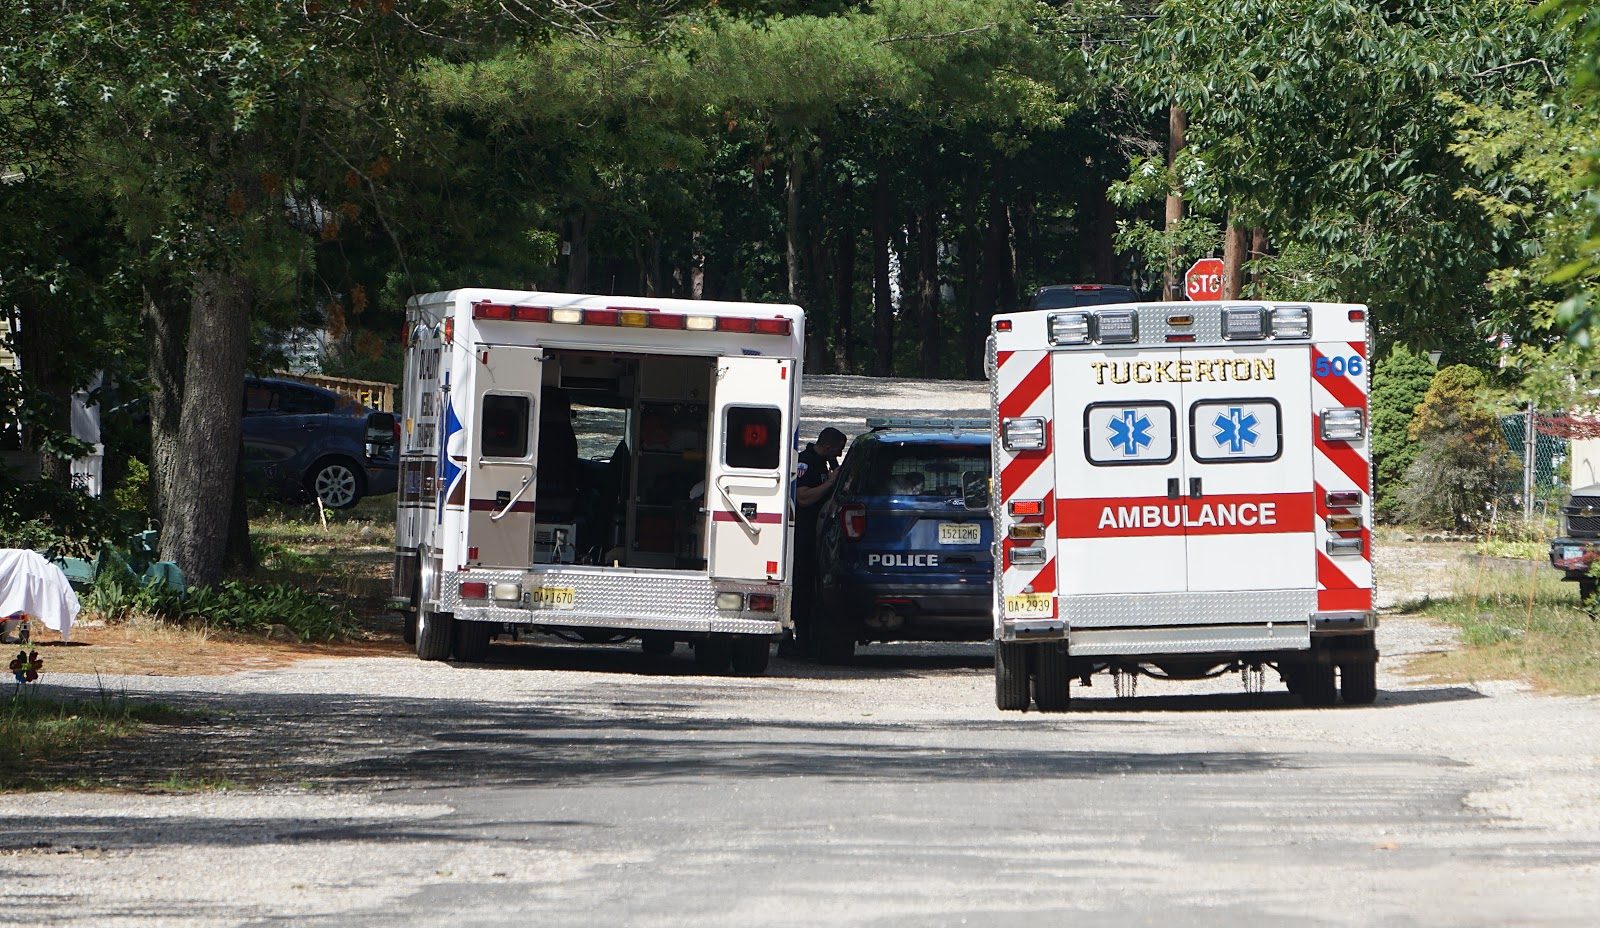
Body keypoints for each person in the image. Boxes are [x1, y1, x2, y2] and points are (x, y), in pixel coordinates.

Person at [786, 426, 847, 657]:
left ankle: (808, 639)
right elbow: (802, 498)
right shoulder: (806, 462)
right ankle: (796, 641)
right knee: (801, 588)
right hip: (802, 537)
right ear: (827, 446)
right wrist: (830, 483)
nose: (838, 456)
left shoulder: (823, 464)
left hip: (818, 538)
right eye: (837, 451)